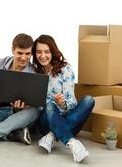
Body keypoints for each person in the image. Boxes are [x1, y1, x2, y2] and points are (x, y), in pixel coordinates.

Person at [32, 35, 95, 163]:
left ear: (53, 52)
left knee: (89, 100)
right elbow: (36, 105)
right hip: (46, 122)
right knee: (50, 105)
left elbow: (72, 102)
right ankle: (73, 143)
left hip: (67, 117)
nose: (42, 56)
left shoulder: (65, 71)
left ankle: (51, 136)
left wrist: (63, 103)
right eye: (38, 52)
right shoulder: (34, 73)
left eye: (46, 51)